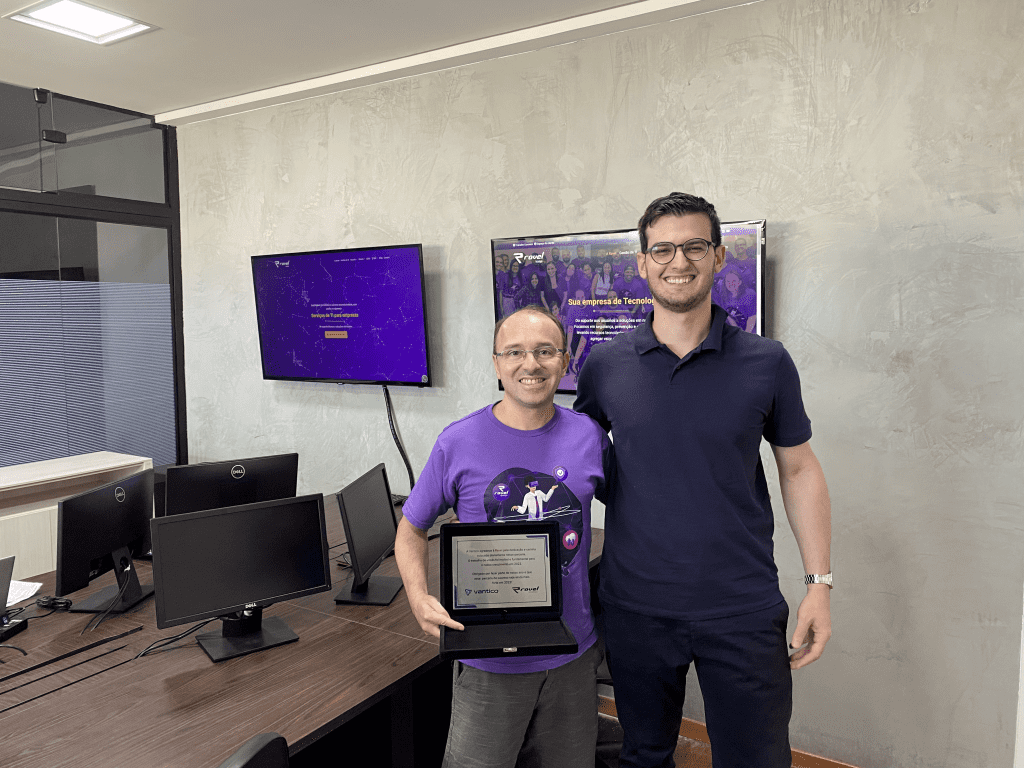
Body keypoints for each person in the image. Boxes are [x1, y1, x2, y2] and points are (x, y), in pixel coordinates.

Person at [574, 192, 832, 768]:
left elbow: (799, 468)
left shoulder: (767, 361)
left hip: (741, 605)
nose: (678, 261)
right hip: (636, 605)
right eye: (662, 249)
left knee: (756, 758)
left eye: (694, 246)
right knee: (644, 754)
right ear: (643, 263)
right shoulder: (605, 366)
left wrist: (819, 583)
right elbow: (573, 458)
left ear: (718, 257)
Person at [395, 305, 613, 768]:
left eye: (545, 351)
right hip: (487, 659)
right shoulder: (457, 442)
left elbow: (632, 514)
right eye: (514, 352)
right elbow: (411, 527)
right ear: (496, 364)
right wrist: (417, 596)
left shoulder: (590, 437)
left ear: (565, 361)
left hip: (571, 654)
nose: (530, 364)